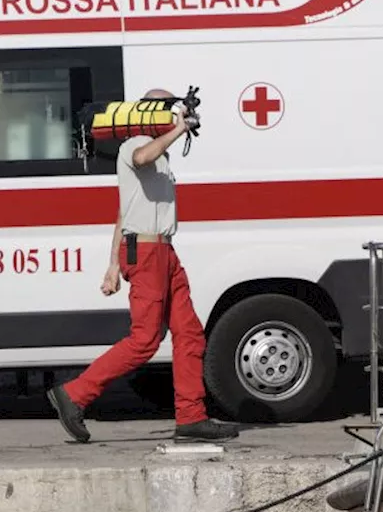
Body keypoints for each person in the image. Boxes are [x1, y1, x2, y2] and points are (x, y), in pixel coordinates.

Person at [47, 89, 239, 444]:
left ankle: (191, 416)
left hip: (164, 251)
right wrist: (179, 130)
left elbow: (123, 210)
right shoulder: (135, 144)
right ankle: (74, 395)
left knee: (190, 334)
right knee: (145, 340)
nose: (174, 114)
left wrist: (111, 264)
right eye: (169, 110)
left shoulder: (161, 155)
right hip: (147, 253)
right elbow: (140, 157)